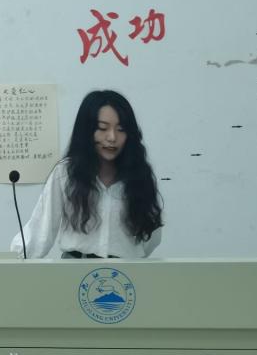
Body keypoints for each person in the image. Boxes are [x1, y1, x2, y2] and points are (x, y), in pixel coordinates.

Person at [11, 90, 163, 259]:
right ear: (87, 131)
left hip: (123, 271)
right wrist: (18, 262)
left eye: (121, 129)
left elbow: (151, 236)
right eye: (102, 128)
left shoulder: (140, 176)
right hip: (75, 268)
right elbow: (42, 229)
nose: (112, 137)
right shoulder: (66, 173)